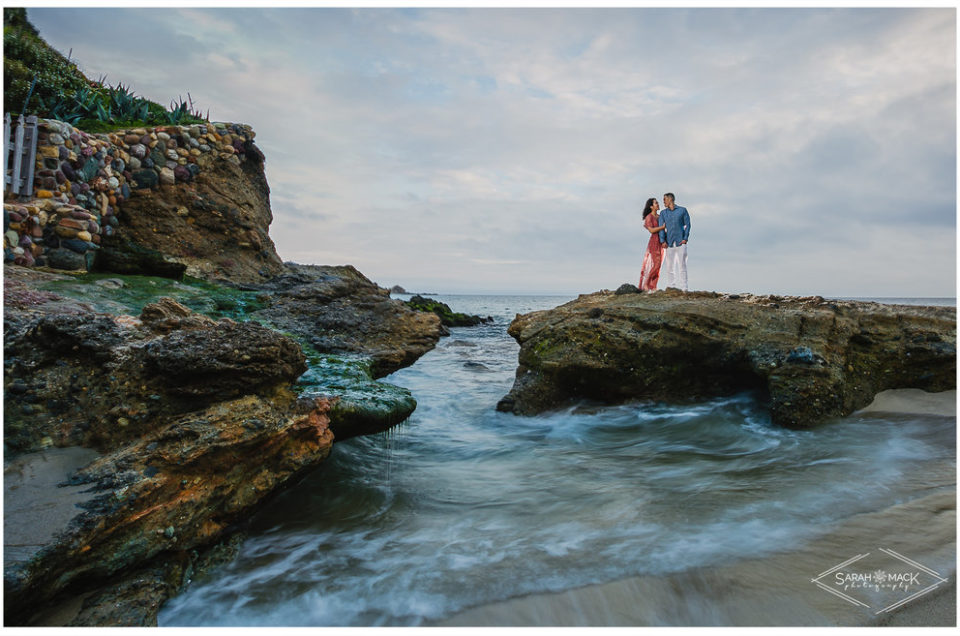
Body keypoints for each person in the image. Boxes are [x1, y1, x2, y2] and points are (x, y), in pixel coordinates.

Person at [657, 192, 691, 291]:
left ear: (670, 199)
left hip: (681, 242)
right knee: (669, 267)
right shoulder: (663, 213)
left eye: (664, 199)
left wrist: (685, 238)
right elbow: (661, 228)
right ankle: (671, 287)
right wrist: (662, 241)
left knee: (682, 266)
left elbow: (688, 225)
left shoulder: (682, 210)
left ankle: (684, 288)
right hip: (669, 243)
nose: (663, 202)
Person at [638, 197, 666, 291]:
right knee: (656, 264)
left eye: (657, 202)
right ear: (651, 206)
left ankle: (653, 286)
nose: (658, 204)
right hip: (654, 242)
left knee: (659, 265)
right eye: (655, 203)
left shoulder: (660, 217)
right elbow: (651, 230)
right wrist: (662, 227)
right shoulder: (649, 217)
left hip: (661, 242)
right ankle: (646, 283)